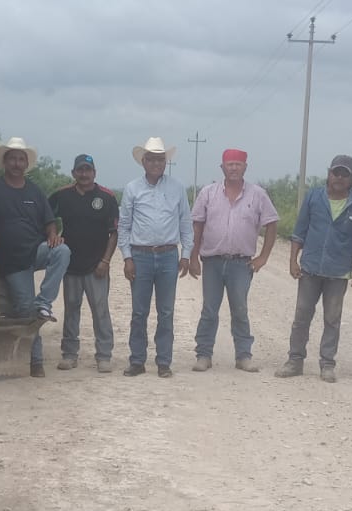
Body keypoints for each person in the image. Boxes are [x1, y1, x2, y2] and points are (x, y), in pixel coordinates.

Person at [0, 137, 71, 377]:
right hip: (11, 260)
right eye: (13, 159)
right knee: (26, 311)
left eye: (21, 159)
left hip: (36, 250)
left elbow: (50, 222)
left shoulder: (34, 190)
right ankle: (35, 361)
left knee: (63, 251)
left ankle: (44, 302)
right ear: (4, 162)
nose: (17, 163)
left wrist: (53, 236)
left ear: (26, 163)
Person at [275, 155, 352, 383]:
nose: (339, 177)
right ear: (329, 173)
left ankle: (327, 364)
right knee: (301, 316)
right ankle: (295, 361)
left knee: (332, 319)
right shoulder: (313, 197)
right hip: (310, 268)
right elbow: (300, 231)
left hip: (338, 272)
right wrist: (293, 260)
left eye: (344, 174)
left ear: (351, 178)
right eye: (336, 172)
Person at [188, 148, 279, 372]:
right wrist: (193, 257)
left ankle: (243, 356)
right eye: (230, 164)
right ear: (222, 167)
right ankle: (203, 355)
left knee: (240, 309)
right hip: (212, 261)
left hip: (241, 263)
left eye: (238, 164)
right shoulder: (208, 193)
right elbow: (197, 225)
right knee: (209, 309)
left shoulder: (258, 194)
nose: (234, 168)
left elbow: (272, 224)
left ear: (245, 167)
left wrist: (263, 258)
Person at [117, 136, 192, 378]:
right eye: (152, 159)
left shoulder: (177, 188)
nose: (157, 163)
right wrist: (127, 257)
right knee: (139, 312)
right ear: (143, 161)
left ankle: (163, 362)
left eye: (161, 159)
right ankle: (137, 361)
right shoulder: (132, 189)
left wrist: (186, 254)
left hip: (169, 255)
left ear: (165, 162)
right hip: (140, 256)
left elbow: (185, 223)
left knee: (166, 312)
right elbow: (124, 226)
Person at [48, 154, 119, 373]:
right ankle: (69, 354)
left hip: (97, 265)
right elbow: (46, 216)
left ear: (94, 173)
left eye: (88, 169)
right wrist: (53, 234)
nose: (84, 174)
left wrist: (105, 261)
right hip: (70, 265)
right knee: (71, 310)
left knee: (100, 311)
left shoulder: (106, 197)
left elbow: (113, 233)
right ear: (73, 173)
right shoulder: (62, 195)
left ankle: (104, 355)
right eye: (80, 170)